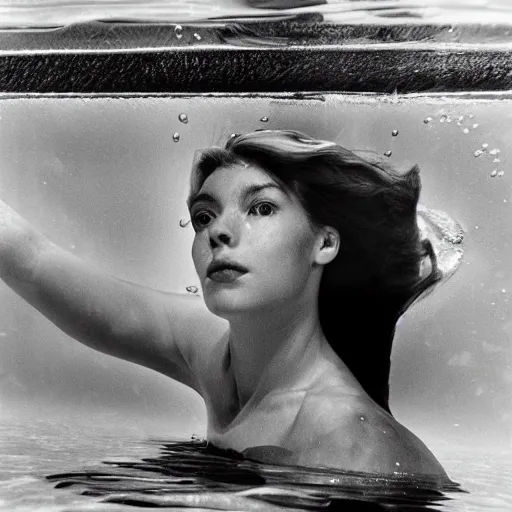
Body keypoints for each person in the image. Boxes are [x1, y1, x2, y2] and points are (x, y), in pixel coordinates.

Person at [0, 129, 462, 478]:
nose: (218, 232)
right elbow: (34, 260)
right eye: (204, 216)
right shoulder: (214, 350)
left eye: (260, 208)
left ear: (324, 242)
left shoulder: (348, 439)